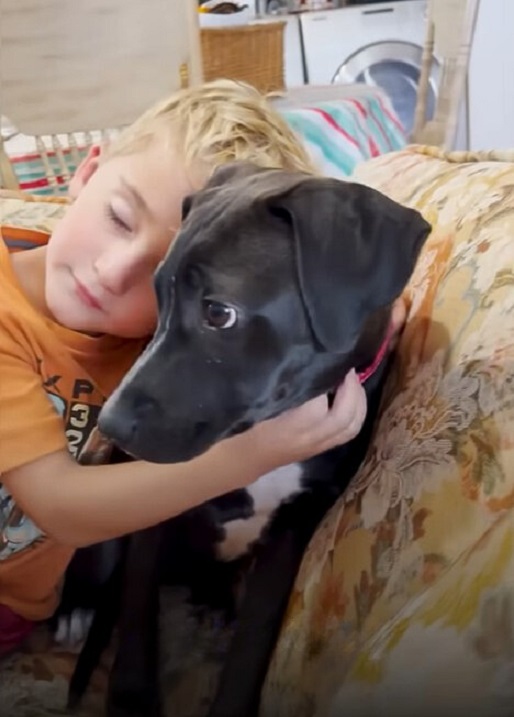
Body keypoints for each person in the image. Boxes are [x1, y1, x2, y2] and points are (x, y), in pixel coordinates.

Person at [0, 80, 371, 658]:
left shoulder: (164, 341)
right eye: (120, 218)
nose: (114, 272)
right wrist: (250, 456)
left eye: (161, 273)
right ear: (87, 171)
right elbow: (62, 508)